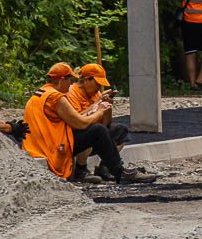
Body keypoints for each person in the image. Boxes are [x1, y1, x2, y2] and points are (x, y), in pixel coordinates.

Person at [21, 63, 155, 184]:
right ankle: (118, 172)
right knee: (97, 130)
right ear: (62, 80)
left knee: (110, 130)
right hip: (52, 145)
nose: (71, 83)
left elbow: (103, 123)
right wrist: (99, 110)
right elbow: (80, 123)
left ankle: (109, 168)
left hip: (44, 141)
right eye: (70, 80)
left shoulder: (43, 92)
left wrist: (105, 107)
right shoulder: (57, 97)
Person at [65, 63, 130, 183]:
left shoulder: (97, 94)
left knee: (121, 131)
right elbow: (77, 120)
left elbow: (106, 125)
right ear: (86, 80)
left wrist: (107, 107)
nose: (99, 86)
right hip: (72, 136)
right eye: (97, 82)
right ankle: (80, 170)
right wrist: (96, 105)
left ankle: (105, 167)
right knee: (92, 129)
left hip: (94, 132)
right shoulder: (71, 93)